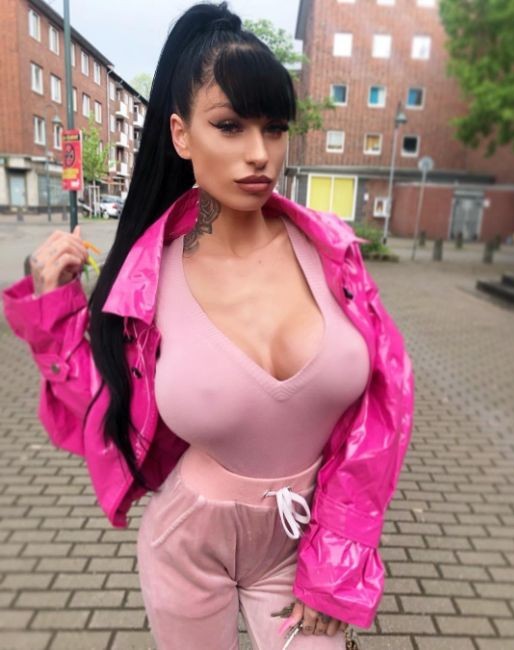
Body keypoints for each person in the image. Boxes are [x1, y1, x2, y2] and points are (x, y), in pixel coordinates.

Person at [2, 3, 414, 649]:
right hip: (187, 546)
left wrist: (338, 561)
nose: (259, 154)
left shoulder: (333, 257)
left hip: (305, 538)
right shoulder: (145, 282)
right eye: (229, 125)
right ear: (182, 134)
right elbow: (106, 408)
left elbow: (384, 411)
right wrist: (53, 315)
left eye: (274, 128)